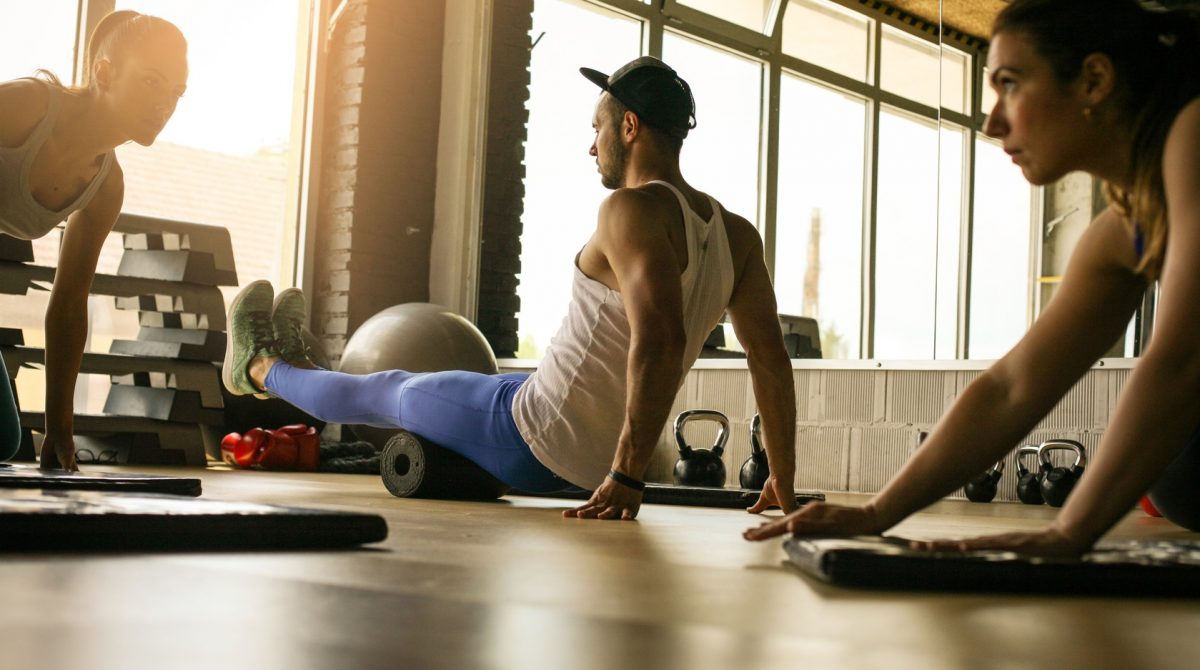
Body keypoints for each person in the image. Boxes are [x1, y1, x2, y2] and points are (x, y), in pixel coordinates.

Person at [223, 56, 799, 520]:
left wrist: (624, 476)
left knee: (385, 389)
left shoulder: (629, 210)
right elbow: (770, 360)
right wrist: (782, 475)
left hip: (534, 440)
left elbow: (661, 341)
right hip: (582, 442)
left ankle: (258, 368)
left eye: (597, 128)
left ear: (629, 126)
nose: (591, 146)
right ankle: (292, 362)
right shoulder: (738, 236)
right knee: (485, 384)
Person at [747, 0, 1200, 555]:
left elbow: (1182, 359)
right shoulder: (1126, 227)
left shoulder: (1193, 134)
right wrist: (877, 511)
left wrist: (1069, 532)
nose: (992, 121)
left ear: (1094, 80)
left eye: (1010, 84)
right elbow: (1012, 386)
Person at [0, 10, 188, 470]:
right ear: (104, 72)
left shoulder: (105, 186)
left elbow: (68, 305)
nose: (164, 103)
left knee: (3, 440)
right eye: (151, 82)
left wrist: (60, 429)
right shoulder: (25, 107)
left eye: (176, 92)